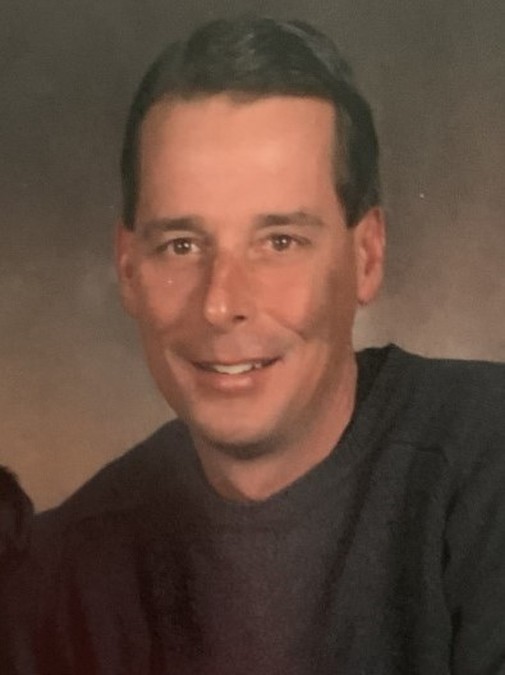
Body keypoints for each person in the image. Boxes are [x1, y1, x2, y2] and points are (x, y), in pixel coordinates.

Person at [1, 15, 505, 675]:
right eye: (182, 245)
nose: (220, 303)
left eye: (279, 242)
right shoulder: (61, 575)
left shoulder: (487, 462)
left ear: (366, 256)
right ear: (127, 267)